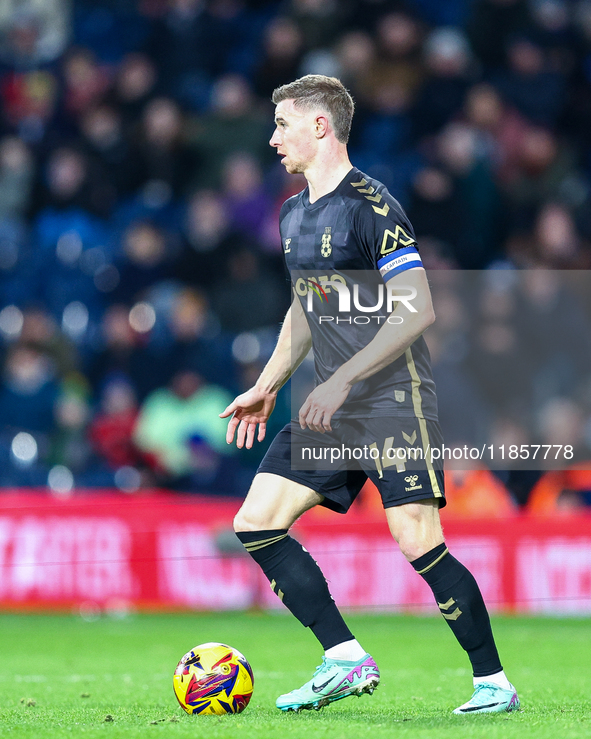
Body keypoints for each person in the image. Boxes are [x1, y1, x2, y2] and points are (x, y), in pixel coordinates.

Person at [220, 75, 519, 716]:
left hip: (389, 397)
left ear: (320, 127)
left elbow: (416, 309)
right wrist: (267, 385)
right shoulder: (293, 212)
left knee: (415, 536)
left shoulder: (370, 205)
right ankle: (343, 659)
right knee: (256, 521)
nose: (272, 138)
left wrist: (340, 378)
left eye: (282, 124)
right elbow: (305, 309)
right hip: (331, 404)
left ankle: (493, 683)